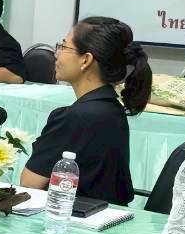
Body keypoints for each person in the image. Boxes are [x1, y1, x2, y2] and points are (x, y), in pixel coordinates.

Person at [19, 17, 150, 206]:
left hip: (72, 217)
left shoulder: (73, 117)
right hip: (106, 215)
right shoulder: (113, 108)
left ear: (86, 60)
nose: (56, 54)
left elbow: (30, 184)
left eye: (64, 47)